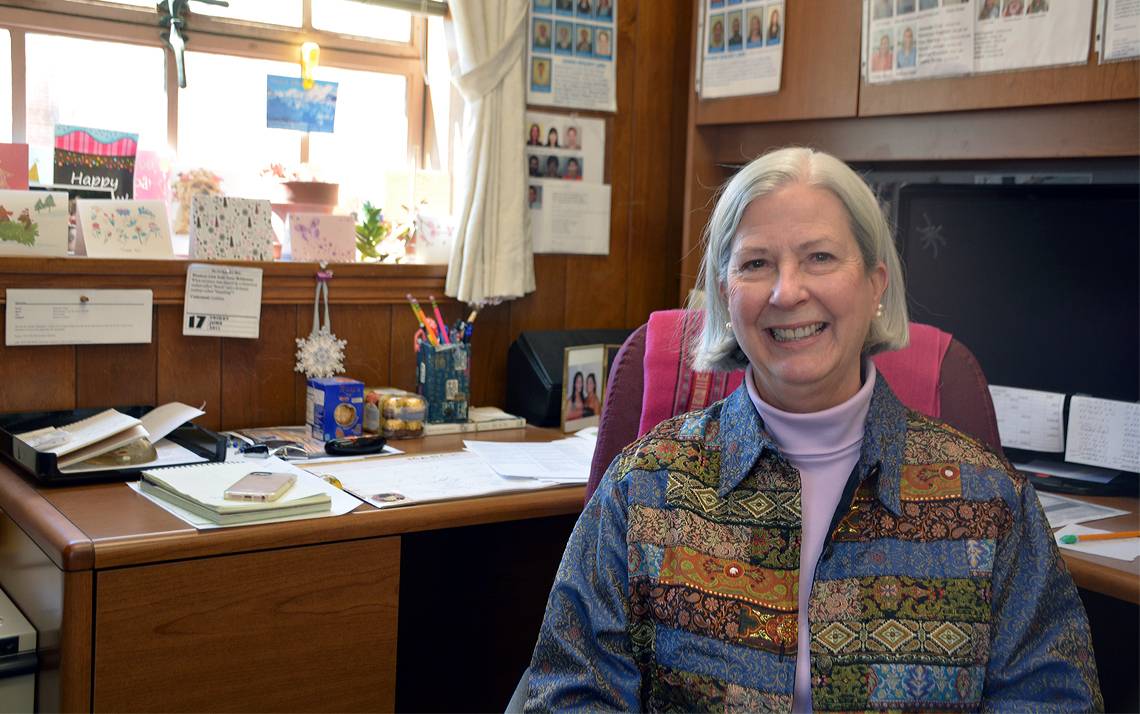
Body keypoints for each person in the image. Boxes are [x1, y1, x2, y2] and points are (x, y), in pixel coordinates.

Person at [523, 147, 1102, 711]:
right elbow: (570, 691)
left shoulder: (990, 501)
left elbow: (1051, 698)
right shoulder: (642, 488)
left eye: (820, 257)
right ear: (727, 295)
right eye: (756, 263)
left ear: (875, 284)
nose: (786, 291)